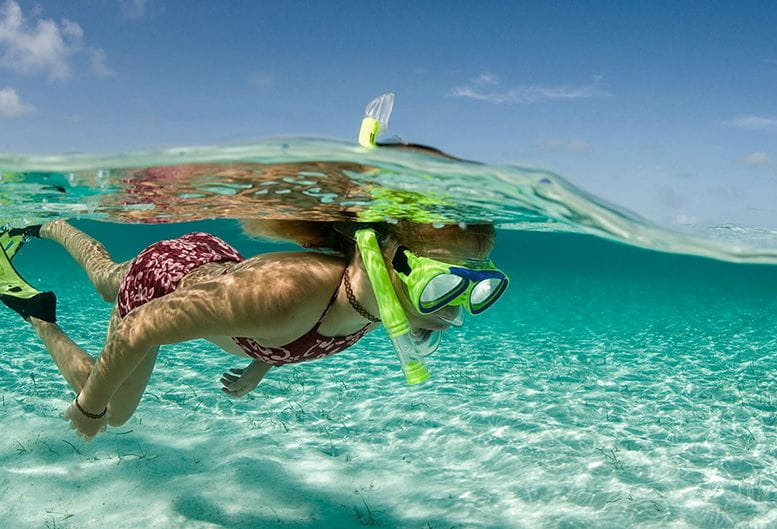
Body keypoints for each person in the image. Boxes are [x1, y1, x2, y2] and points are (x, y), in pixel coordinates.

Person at [1, 217, 504, 440]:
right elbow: (139, 328)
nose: (451, 308)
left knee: (107, 278)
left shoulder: (375, 301)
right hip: (164, 284)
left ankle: (50, 225)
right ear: (379, 257)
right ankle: (39, 314)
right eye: (442, 282)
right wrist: (87, 407)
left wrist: (260, 363)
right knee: (113, 414)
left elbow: (302, 325)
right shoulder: (289, 296)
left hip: (207, 259)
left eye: (475, 286)